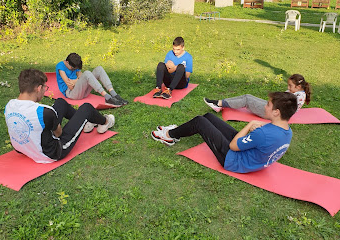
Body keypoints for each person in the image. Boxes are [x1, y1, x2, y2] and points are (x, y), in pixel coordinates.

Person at [151, 91, 297, 174]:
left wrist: (250, 124)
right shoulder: (287, 131)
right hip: (250, 155)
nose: (264, 107)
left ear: (276, 112)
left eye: (268, 105)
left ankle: (168, 136)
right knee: (208, 117)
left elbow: (233, 146)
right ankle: (176, 131)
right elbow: (261, 142)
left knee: (199, 122)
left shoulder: (264, 133)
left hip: (233, 160)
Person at [5, 69, 115, 164]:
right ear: (38, 88)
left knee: (61, 102)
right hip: (53, 152)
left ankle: (85, 124)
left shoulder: (9, 105)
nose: (44, 91)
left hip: (22, 148)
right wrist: (53, 123)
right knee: (86, 108)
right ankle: (106, 122)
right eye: (44, 88)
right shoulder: (44, 112)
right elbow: (59, 134)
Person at [204, 73, 311, 118]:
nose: (288, 88)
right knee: (247, 96)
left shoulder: (298, 96)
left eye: (290, 86)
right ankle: (220, 103)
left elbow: (285, 107)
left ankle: (219, 104)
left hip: (273, 113)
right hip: (273, 108)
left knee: (247, 100)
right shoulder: (296, 93)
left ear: (298, 87)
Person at [56, 53, 128, 107]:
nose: (74, 70)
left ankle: (114, 94)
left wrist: (75, 81)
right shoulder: (60, 67)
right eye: (73, 68)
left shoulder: (74, 63)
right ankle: (107, 97)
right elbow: (71, 87)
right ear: (67, 62)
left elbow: (80, 75)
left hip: (82, 91)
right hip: (71, 93)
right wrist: (78, 80)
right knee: (87, 73)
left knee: (99, 69)